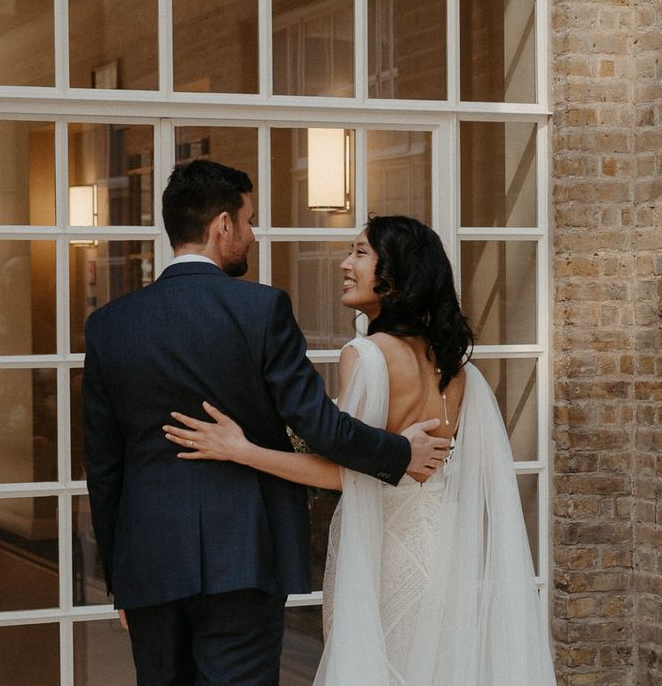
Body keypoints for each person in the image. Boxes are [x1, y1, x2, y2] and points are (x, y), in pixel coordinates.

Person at [82, 162, 451, 685]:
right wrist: (398, 453)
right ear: (223, 225)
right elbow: (319, 425)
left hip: (150, 561)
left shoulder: (109, 325)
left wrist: (121, 576)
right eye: (250, 220)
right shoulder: (261, 308)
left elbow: (104, 463)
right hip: (246, 554)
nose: (253, 234)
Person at [165, 215, 557, 685]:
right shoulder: (454, 366)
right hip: (446, 549)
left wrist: (240, 449)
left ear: (394, 275)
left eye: (360, 253)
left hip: (384, 553)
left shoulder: (367, 355)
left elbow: (341, 472)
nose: (345, 264)